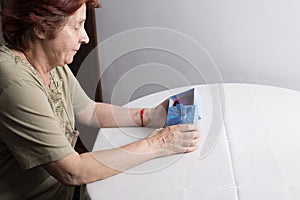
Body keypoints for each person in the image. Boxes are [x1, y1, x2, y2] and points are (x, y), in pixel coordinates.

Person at [0, 0, 200, 199]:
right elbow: (73, 171)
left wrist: (149, 115)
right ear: (41, 28)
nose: (85, 37)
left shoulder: (50, 61)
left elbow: (90, 111)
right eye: (77, 26)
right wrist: (159, 143)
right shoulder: (13, 79)